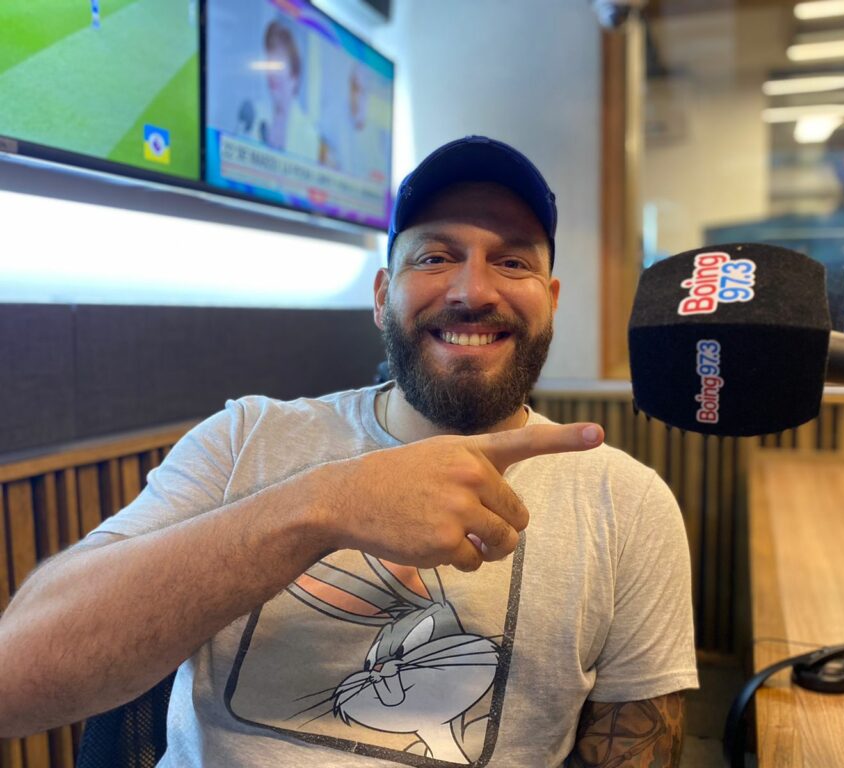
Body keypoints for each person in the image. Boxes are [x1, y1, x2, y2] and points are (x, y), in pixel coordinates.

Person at [0, 136, 698, 766]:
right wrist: (326, 504)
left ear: (551, 300)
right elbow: (15, 680)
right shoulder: (245, 438)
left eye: (511, 261)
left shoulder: (628, 504)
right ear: (383, 294)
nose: (472, 291)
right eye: (435, 256)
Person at [261, 19, 320, 162]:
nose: (272, 73)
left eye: (278, 63)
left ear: (294, 74)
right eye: (269, 61)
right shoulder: (257, 116)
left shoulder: (309, 135)